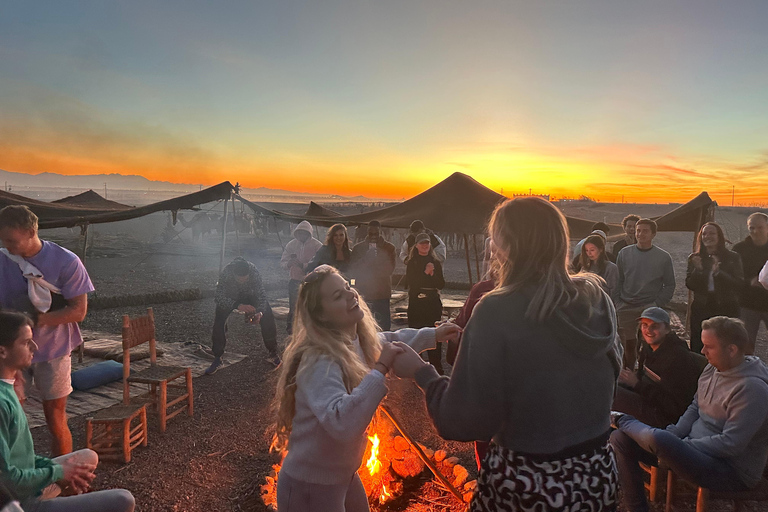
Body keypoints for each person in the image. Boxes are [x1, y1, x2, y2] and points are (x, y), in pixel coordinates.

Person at [391, 197, 623, 511]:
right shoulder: (596, 298)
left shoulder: (496, 309)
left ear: (507, 246)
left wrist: (422, 373)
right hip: (596, 481)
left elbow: (464, 422)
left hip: (528, 488)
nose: (491, 247)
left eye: (495, 238)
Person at [271, 265, 460, 512]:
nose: (351, 294)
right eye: (338, 296)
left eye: (347, 287)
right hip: (310, 485)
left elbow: (389, 340)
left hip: (343, 475)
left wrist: (434, 334)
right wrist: (380, 368)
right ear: (322, 316)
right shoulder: (319, 360)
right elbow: (342, 423)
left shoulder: (352, 340)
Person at [611, 316, 768, 512]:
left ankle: (621, 419)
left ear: (732, 350)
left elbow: (730, 445)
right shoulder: (713, 368)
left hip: (730, 470)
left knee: (660, 439)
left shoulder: (752, 389)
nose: (703, 351)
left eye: (708, 347)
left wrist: (680, 446)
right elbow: (695, 406)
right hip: (692, 449)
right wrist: (676, 436)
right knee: (620, 439)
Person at [0, 311, 135, 512]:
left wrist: (60, 471)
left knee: (88, 457)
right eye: (26, 342)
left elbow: (22, 460)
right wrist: (58, 472)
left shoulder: (8, 388)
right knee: (123, 500)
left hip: (26, 484)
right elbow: (7, 481)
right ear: (2, 351)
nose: (35, 347)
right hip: (17, 501)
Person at [0, 205, 94, 456]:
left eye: (12, 240)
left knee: (55, 419)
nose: (7, 246)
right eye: (2, 240)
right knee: (9, 420)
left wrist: (32, 321)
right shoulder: (2, 259)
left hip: (53, 350)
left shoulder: (66, 262)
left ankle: (64, 482)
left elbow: (78, 312)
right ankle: (15, 482)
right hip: (10, 354)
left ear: (31, 232)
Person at [613, 307, 704, 428]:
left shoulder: (678, 359)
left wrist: (636, 384)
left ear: (667, 329)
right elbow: (641, 376)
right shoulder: (648, 346)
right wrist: (629, 380)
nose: (648, 330)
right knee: (610, 385)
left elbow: (673, 405)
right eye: (644, 325)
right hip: (647, 399)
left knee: (613, 395)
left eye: (654, 326)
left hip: (666, 417)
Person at [615, 218, 675, 369]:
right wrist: (618, 302)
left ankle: (645, 375)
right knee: (627, 346)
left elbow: (669, 284)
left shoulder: (663, 257)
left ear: (653, 234)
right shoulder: (624, 254)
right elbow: (618, 280)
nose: (641, 234)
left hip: (649, 307)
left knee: (650, 345)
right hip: (626, 306)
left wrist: (656, 304)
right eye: (638, 230)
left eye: (645, 231)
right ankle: (628, 375)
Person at [206, 257, 280, 375]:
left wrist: (260, 312)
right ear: (234, 275)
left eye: (245, 279)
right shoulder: (227, 272)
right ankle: (217, 357)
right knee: (219, 322)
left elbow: (261, 294)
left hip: (250, 295)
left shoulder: (254, 271)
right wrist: (237, 305)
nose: (242, 281)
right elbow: (219, 296)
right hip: (231, 297)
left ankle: (273, 352)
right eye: (239, 280)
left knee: (267, 316)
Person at [685, 222, 744, 353]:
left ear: (719, 236)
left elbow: (739, 284)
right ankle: (701, 372)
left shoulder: (732, 257)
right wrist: (698, 270)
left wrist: (719, 273)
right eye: (704, 233)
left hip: (726, 306)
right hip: (702, 307)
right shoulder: (695, 258)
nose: (707, 236)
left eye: (712, 233)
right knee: (699, 344)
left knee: (726, 344)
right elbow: (690, 284)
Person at [406, 233, 446, 375]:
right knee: (417, 334)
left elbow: (441, 284)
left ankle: (437, 369)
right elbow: (411, 284)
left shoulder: (435, 262)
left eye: (427, 243)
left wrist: (432, 274)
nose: (425, 245)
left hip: (432, 303)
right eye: (422, 243)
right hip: (417, 303)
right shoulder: (412, 263)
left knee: (434, 335)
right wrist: (425, 273)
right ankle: (418, 370)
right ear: (416, 245)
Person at [349, 221, 396, 331]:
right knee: (364, 326)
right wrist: (366, 259)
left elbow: (389, 270)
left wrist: (376, 261)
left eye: (376, 233)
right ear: (367, 232)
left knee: (383, 327)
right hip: (364, 293)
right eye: (371, 233)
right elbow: (353, 270)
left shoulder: (389, 248)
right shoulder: (358, 249)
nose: (373, 236)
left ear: (380, 233)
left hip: (382, 293)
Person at [732, 212, 768, 354]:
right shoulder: (739, 249)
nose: (755, 231)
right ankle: (747, 374)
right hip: (748, 304)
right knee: (745, 344)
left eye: (760, 227)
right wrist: (750, 281)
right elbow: (732, 276)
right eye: (752, 228)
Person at [280, 220, 322, 334]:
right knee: (294, 307)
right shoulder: (291, 245)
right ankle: (291, 332)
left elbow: (320, 264)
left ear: (309, 233)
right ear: (297, 233)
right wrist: (289, 263)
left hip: (312, 282)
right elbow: (283, 262)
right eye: (300, 233)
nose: (302, 235)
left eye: (304, 233)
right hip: (294, 281)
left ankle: (310, 331)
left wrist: (303, 265)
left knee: (310, 307)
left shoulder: (317, 245)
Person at [580, 233, 619, 298]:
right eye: (587, 250)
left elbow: (613, 292)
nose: (589, 253)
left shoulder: (611, 268)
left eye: (592, 250)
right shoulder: (585, 268)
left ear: (601, 249)